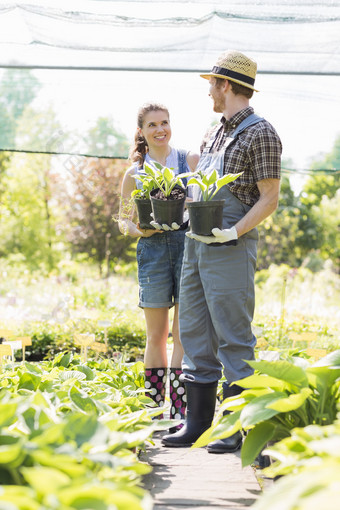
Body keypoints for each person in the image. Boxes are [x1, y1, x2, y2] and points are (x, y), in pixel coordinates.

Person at [162, 50, 282, 451]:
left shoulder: (260, 133)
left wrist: (232, 232)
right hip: (196, 244)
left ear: (226, 85)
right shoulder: (214, 131)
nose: (209, 91)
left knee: (233, 335)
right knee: (193, 329)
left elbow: (270, 198)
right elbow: (200, 187)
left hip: (230, 246)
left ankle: (233, 428)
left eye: (212, 84)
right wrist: (174, 214)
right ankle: (198, 424)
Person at [119, 102, 199, 430]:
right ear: (142, 131)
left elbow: (201, 200)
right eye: (152, 125)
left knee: (182, 335)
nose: (159, 129)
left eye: (164, 122)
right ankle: (154, 411)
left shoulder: (188, 161)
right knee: (156, 335)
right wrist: (143, 229)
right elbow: (123, 222)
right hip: (151, 251)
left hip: (186, 248)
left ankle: (179, 412)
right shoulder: (134, 173)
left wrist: (191, 205)